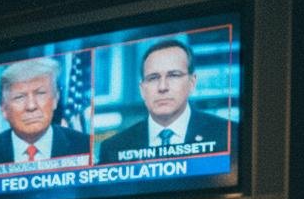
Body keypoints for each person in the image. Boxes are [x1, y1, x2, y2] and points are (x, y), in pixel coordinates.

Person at [97, 38, 232, 164]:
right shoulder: (113, 148)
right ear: (142, 89)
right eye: (153, 78)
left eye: (173, 75)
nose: (162, 87)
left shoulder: (228, 134)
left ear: (192, 83)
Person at [0, 57, 91, 165]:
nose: (31, 106)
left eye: (40, 93)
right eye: (19, 97)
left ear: (55, 99)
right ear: (3, 108)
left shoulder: (85, 146)